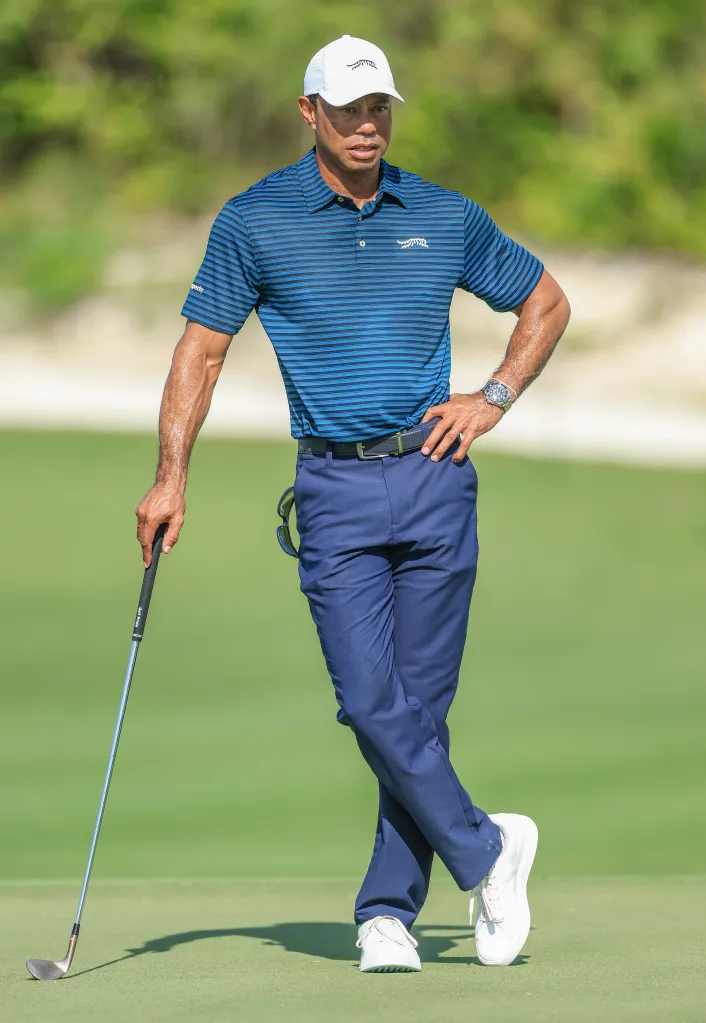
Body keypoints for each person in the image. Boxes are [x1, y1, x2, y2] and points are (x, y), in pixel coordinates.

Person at [135, 34, 571, 973]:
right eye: (347, 110)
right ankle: (488, 849)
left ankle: (385, 914)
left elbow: (544, 301)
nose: (366, 125)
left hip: (433, 476)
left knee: (419, 706)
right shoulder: (255, 222)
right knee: (371, 703)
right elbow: (198, 354)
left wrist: (491, 397)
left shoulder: (444, 216)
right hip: (331, 487)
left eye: (378, 108)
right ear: (309, 113)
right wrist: (171, 475)